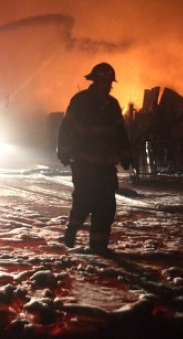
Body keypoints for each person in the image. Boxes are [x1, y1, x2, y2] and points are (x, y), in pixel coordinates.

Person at [57, 62, 132, 254]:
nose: (109, 87)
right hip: (84, 162)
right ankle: (72, 229)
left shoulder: (113, 105)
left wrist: (125, 154)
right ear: (96, 82)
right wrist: (64, 150)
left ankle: (99, 247)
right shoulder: (80, 101)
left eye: (110, 84)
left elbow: (120, 133)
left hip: (106, 165)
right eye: (105, 83)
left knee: (106, 206)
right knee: (85, 200)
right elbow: (67, 127)